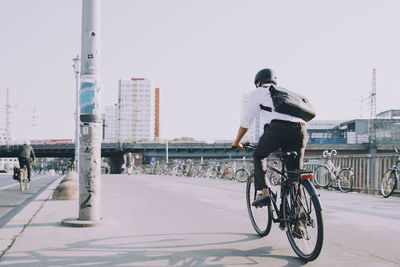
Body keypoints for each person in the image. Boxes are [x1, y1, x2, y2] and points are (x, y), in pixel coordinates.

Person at [232, 68, 308, 207]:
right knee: (295, 175)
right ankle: (299, 219)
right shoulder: (287, 91)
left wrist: (237, 142)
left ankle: (265, 192)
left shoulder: (259, 91)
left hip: (278, 129)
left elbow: (246, 121)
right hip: (301, 129)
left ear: (259, 82)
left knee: (259, 156)